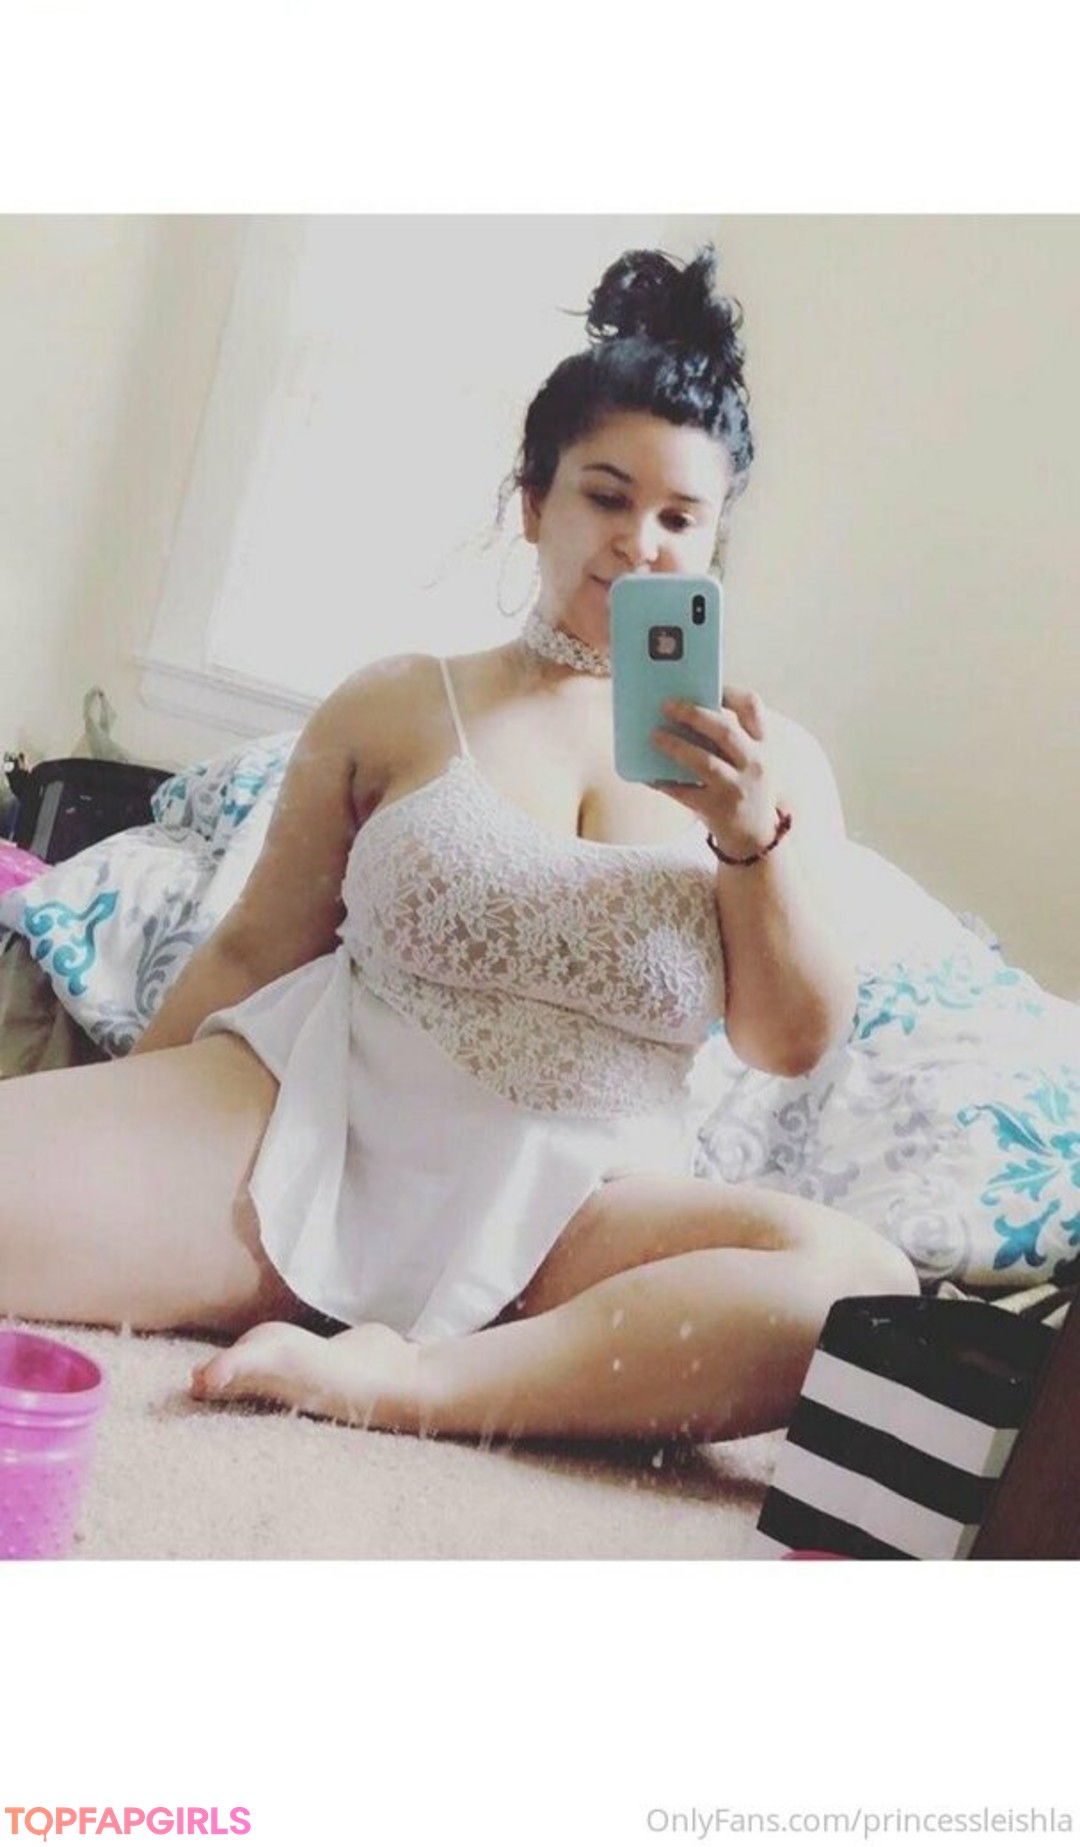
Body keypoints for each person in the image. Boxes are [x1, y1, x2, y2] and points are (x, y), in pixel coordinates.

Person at [0, 245, 915, 1444]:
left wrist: (751, 841)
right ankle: (338, 1312)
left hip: (574, 1212)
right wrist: (121, 1123)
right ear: (533, 501)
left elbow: (787, 1040)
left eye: (680, 517)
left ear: (713, 542)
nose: (641, 543)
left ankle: (419, 1383)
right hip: (302, 1136)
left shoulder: (773, 764)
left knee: (859, 1290)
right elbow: (254, 951)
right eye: (606, 496)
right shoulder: (394, 702)